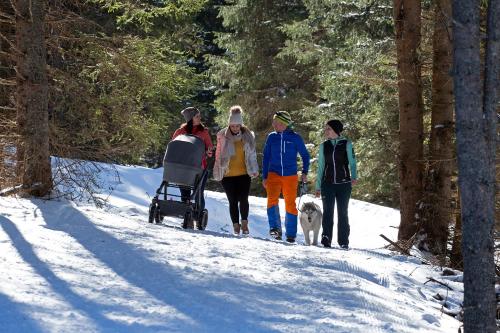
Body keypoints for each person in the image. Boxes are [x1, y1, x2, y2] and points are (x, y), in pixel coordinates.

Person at [262, 111, 310, 243]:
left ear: (283, 124)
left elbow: (305, 156)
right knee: (272, 200)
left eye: (276, 122)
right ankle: (275, 229)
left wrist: (305, 171)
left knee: (290, 204)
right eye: (273, 122)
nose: (273, 124)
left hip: (290, 175)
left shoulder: (295, 138)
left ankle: (291, 234)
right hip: (273, 173)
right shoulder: (271, 137)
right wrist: (264, 176)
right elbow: (266, 157)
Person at [213, 106, 259, 236]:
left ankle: (244, 222)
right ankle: (235, 225)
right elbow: (218, 154)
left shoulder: (248, 136)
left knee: (243, 199)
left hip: (244, 174)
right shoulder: (222, 135)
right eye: (232, 126)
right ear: (229, 125)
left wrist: (254, 169)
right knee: (232, 200)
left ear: (240, 125)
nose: (235, 128)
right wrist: (217, 169)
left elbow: (252, 155)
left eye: (237, 126)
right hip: (227, 175)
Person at [315, 119, 357, 249]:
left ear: (336, 130)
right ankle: (326, 237)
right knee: (327, 211)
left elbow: (353, 162)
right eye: (326, 128)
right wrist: (318, 186)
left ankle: (343, 240)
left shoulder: (347, 144)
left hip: (344, 184)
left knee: (342, 212)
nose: (326, 131)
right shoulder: (324, 145)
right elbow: (321, 166)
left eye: (328, 128)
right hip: (327, 184)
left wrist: (354, 177)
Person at [172, 107, 213, 217]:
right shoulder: (180, 132)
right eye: (197, 116)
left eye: (199, 116)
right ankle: (187, 215)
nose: (200, 118)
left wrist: (209, 151)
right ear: (190, 118)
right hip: (183, 167)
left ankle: (198, 215)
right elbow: (173, 146)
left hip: (199, 167)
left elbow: (209, 146)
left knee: (198, 192)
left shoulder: (203, 132)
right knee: (185, 193)